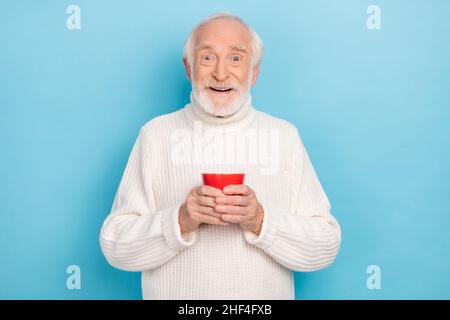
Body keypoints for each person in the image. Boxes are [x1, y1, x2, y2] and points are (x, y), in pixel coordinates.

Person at [99, 12, 341, 300]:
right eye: (207, 58)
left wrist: (259, 220)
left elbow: (326, 245)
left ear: (254, 72)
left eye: (236, 59)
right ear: (189, 68)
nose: (222, 73)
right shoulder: (156, 134)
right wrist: (180, 219)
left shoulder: (283, 136)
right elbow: (115, 246)